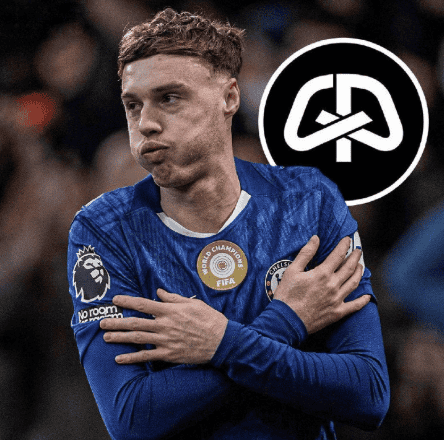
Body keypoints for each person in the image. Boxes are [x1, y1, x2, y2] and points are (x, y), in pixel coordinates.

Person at [67, 8, 389, 440]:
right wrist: (284, 322)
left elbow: (368, 393)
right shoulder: (104, 229)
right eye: (133, 105)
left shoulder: (309, 201)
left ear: (229, 97)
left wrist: (221, 343)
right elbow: (132, 418)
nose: (145, 124)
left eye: (170, 98)